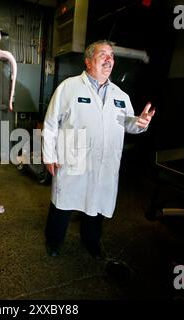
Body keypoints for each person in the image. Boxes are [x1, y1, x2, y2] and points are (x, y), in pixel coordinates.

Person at [41, 40, 155, 260]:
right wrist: (49, 155)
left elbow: (129, 124)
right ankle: (53, 242)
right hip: (72, 158)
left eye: (111, 55)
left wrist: (141, 122)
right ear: (88, 61)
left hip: (104, 162)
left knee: (96, 206)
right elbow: (51, 123)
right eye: (103, 54)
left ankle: (91, 241)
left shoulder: (120, 95)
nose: (109, 59)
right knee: (63, 205)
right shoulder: (69, 87)